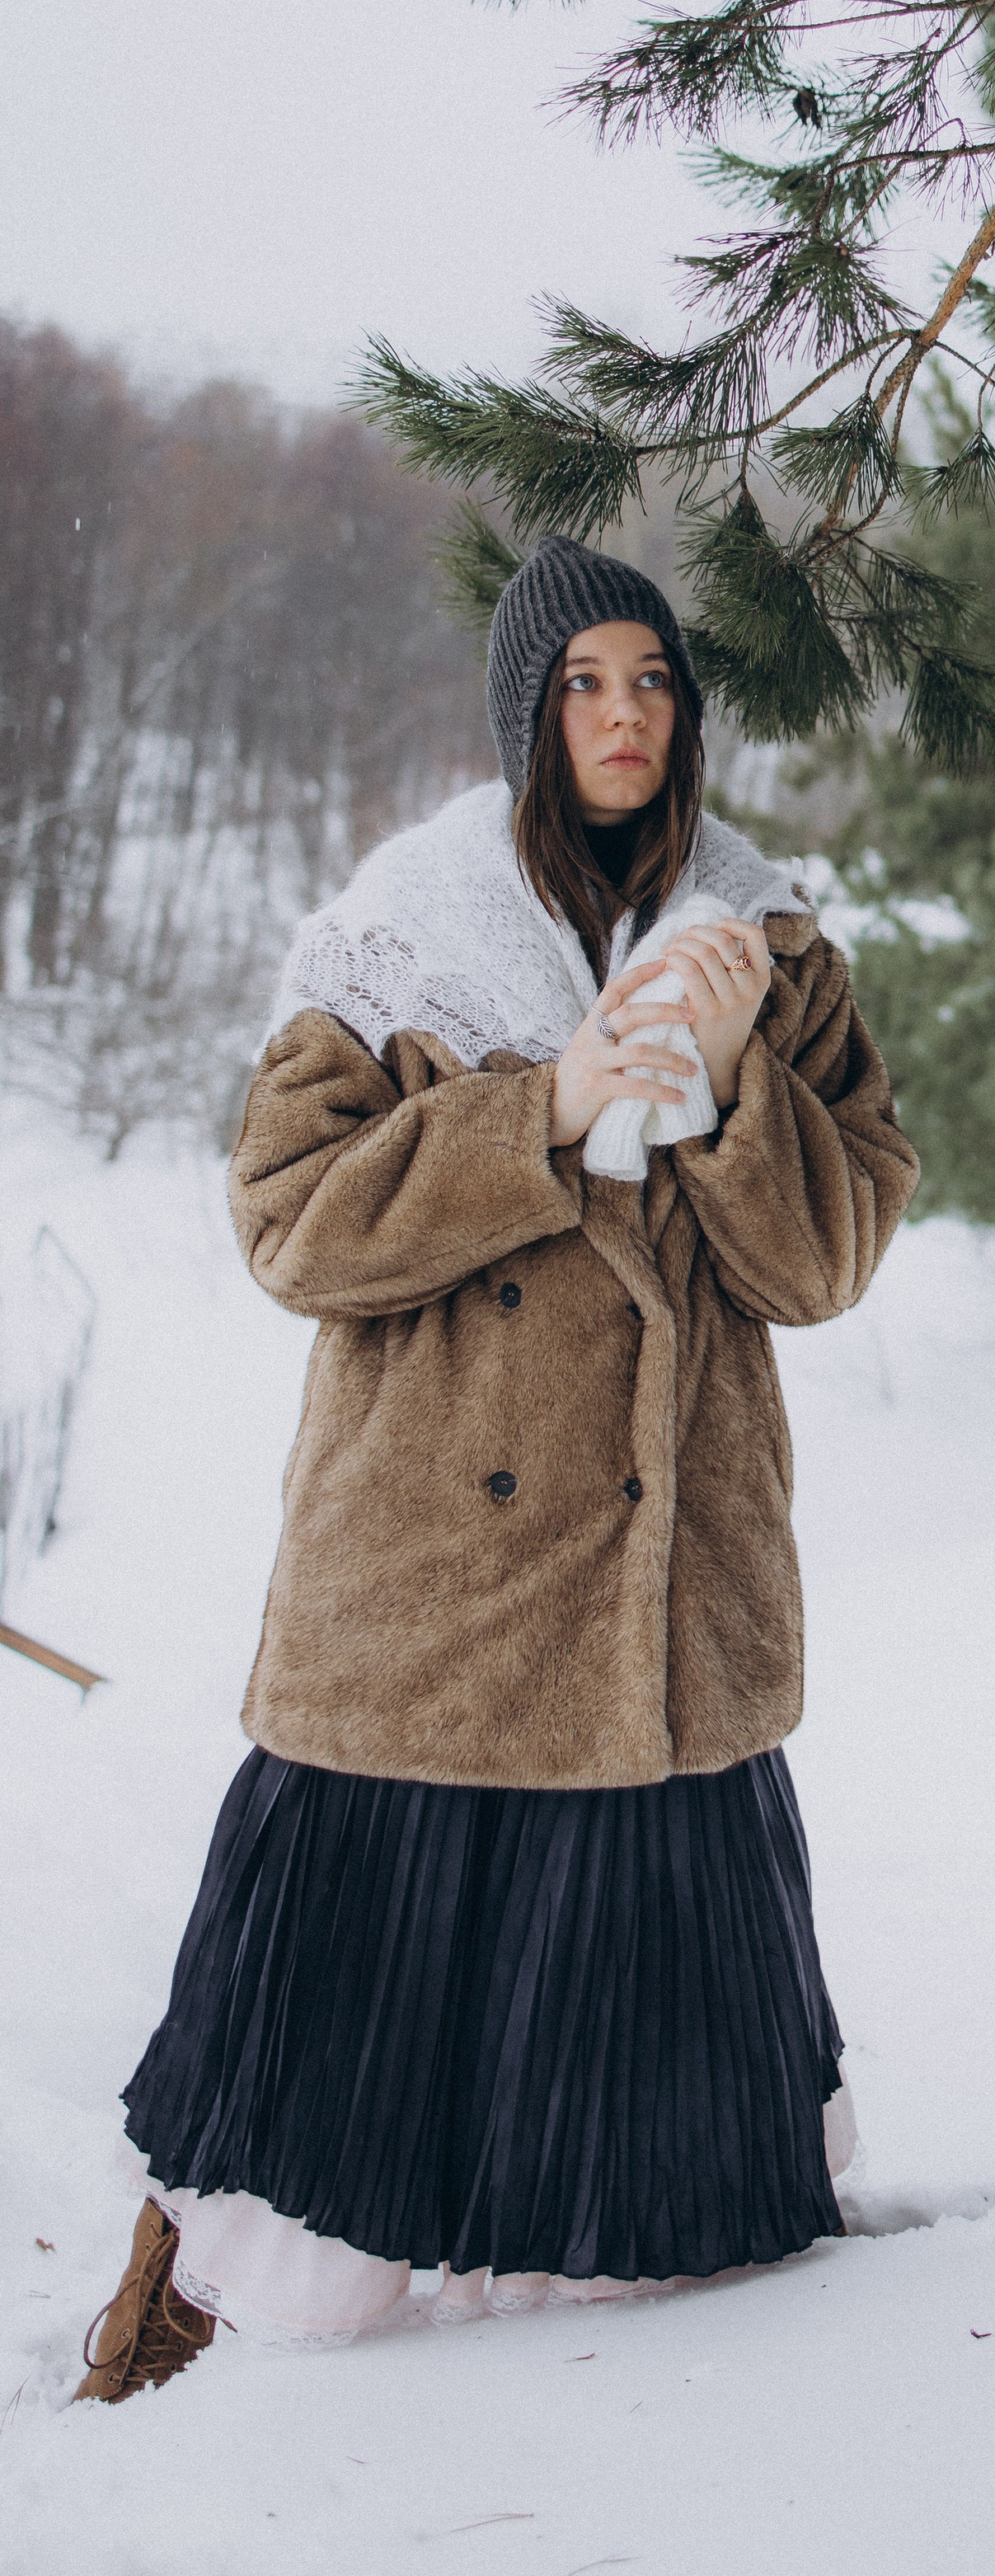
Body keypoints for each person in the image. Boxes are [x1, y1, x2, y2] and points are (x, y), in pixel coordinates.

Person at [77, 537, 917, 2398]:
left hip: (662, 1605)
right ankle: (207, 2333)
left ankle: (650, 2417)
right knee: (340, 2060)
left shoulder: (772, 954)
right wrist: (541, 1109)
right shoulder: (398, 943)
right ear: (526, 718)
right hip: (427, 1601)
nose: (622, 718)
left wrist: (721, 1089)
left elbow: (823, 1260)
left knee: (643, 2112)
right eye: (580, 685)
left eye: (650, 682)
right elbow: (292, 1223)